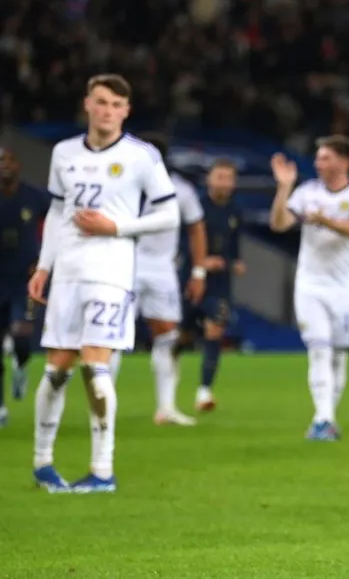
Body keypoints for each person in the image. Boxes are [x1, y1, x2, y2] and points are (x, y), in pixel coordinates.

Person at [28, 74, 181, 493]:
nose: (108, 110)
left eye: (116, 104)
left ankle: (102, 469)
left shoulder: (142, 156)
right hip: (68, 273)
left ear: (126, 111)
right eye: (101, 102)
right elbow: (59, 214)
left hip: (111, 272)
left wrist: (117, 226)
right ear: (87, 105)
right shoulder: (63, 153)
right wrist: (44, 267)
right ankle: (43, 463)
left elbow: (169, 215)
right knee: (56, 368)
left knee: (95, 368)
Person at [268, 135, 349, 440]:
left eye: (325, 157)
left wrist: (325, 219)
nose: (318, 163)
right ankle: (323, 419)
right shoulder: (307, 192)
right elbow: (278, 223)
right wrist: (284, 187)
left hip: (345, 288)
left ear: (344, 161)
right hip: (310, 284)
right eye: (318, 158)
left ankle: (327, 416)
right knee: (319, 348)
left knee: (338, 354)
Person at [106, 133, 208, 426]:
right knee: (113, 335)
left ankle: (166, 408)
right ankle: (105, 407)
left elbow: (196, 228)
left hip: (162, 268)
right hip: (123, 264)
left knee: (166, 335)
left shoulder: (181, 190)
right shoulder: (121, 183)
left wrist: (199, 272)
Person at [0, 147, 49, 427]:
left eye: (8, 160)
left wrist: (43, 261)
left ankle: (21, 364)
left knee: (21, 333)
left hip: (24, 280)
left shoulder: (34, 196)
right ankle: (1, 408)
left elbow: (57, 222)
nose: (4, 166)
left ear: (18, 165)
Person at [191, 160, 244, 412]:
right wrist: (200, 261)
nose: (224, 182)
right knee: (177, 337)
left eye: (228, 177)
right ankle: (165, 399)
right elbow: (182, 241)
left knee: (215, 330)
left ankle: (204, 391)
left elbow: (234, 247)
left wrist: (235, 262)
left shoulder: (235, 211)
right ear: (209, 179)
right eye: (219, 177)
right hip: (190, 278)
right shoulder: (196, 208)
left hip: (220, 283)